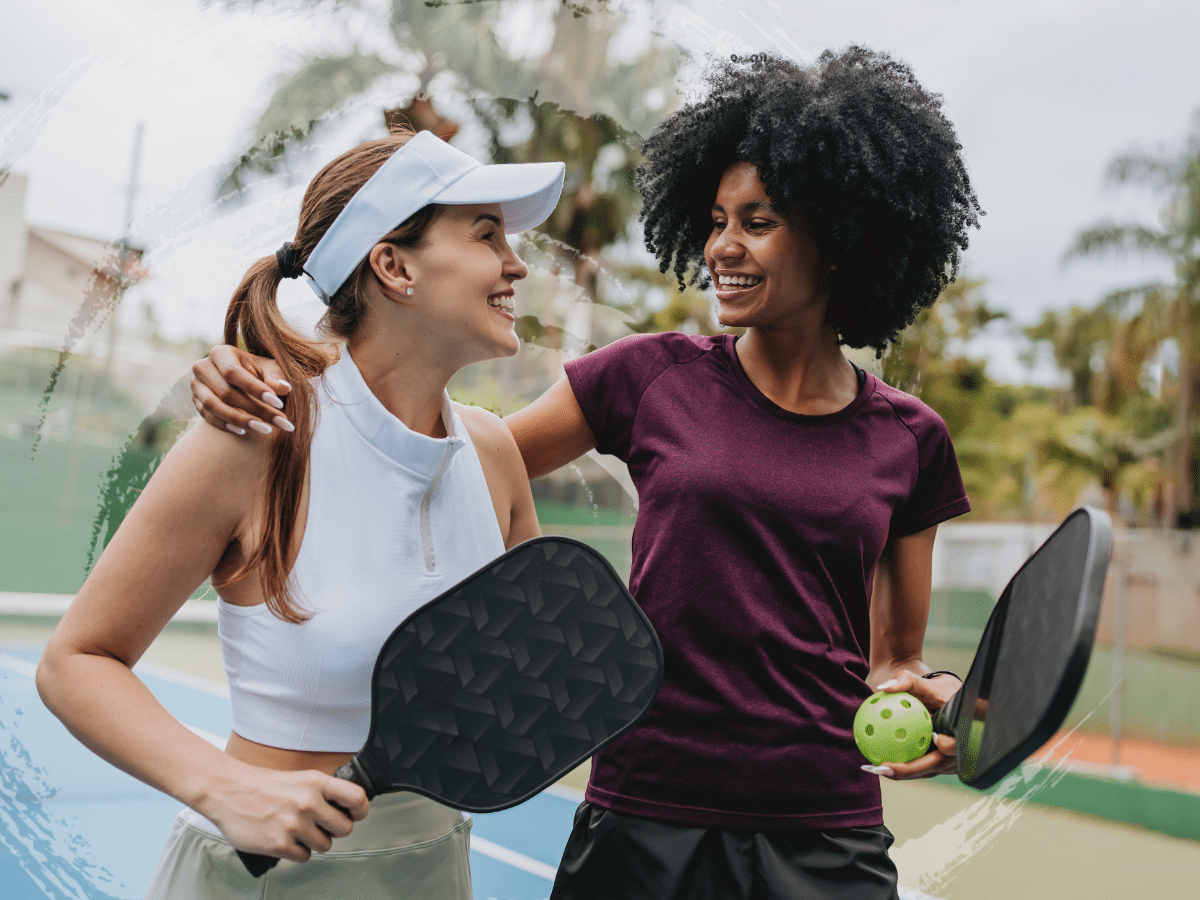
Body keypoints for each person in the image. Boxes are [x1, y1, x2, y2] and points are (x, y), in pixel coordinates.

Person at [190, 47, 981, 900]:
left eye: (757, 222)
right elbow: (440, 462)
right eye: (716, 219)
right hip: (643, 812)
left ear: (840, 237)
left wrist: (931, 695)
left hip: (826, 822)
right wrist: (281, 378)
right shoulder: (646, 376)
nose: (722, 246)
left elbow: (892, 660)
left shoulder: (914, 439)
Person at [37, 127, 564, 898]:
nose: (516, 264)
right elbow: (75, 662)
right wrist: (225, 787)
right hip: (261, 878)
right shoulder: (255, 439)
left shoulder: (493, 455)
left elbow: (524, 683)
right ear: (394, 266)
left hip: (432, 868)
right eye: (488, 236)